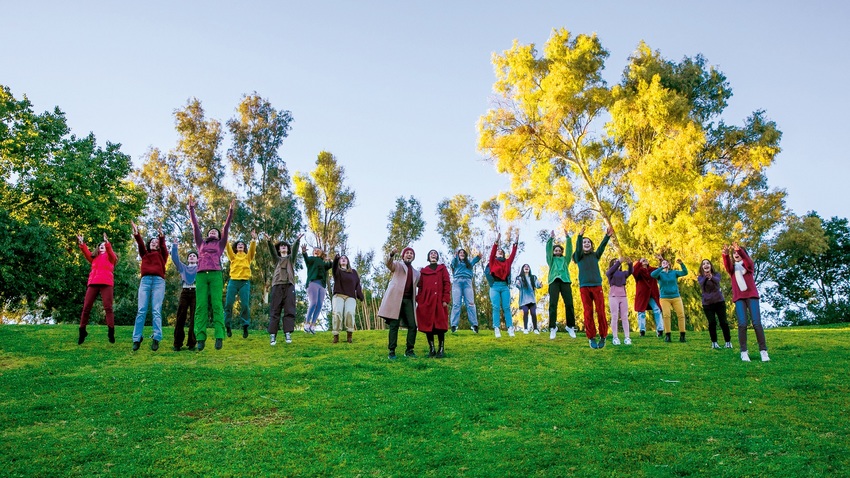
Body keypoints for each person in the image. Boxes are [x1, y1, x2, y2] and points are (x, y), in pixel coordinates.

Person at [189, 196, 234, 351]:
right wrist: (192, 209)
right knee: (201, 306)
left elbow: (226, 228)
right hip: (201, 275)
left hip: (215, 274)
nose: (213, 232)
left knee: (216, 305)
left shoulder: (221, 244)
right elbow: (195, 227)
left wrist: (230, 212)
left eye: (215, 231)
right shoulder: (201, 243)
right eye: (211, 231)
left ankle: (219, 336)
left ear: (218, 235)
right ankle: (200, 338)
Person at [722, 243, 770, 362]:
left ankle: (763, 351)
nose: (736, 254)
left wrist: (739, 249)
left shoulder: (748, 266)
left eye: (738, 253)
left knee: (756, 323)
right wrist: (726, 254)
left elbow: (748, 261)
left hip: (751, 296)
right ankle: (744, 352)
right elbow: (727, 265)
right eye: (734, 253)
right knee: (742, 324)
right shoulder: (733, 269)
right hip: (739, 298)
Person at [131, 221, 167, 352]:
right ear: (149, 244)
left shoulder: (162, 255)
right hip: (145, 281)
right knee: (141, 310)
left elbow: (163, 245)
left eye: (156, 242)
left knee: (156, 310)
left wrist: (161, 236)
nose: (154, 242)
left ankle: (156, 337)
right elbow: (140, 243)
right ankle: (136, 338)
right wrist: (136, 232)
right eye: (152, 241)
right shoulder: (144, 254)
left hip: (158, 282)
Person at [377, 247, 420, 359]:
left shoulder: (416, 273)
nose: (409, 255)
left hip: (409, 301)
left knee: (413, 325)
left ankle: (409, 350)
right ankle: (392, 351)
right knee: (394, 325)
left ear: (413, 257)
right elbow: (388, 263)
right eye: (407, 253)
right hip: (396, 299)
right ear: (403, 256)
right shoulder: (398, 265)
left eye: (411, 253)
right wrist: (391, 254)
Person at [573, 226, 612, 349]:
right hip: (584, 287)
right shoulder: (578, 257)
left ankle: (603, 336)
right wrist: (579, 237)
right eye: (584, 242)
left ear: (591, 245)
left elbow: (602, 247)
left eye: (588, 242)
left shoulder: (595, 255)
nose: (586, 243)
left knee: (600, 310)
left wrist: (607, 236)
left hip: (597, 286)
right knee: (588, 312)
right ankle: (591, 337)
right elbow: (578, 249)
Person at [76, 232, 117, 345]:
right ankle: (82, 331)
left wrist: (107, 242)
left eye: (104, 245)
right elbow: (86, 252)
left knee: (108, 308)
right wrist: (81, 242)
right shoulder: (94, 258)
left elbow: (111, 253)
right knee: (86, 308)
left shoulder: (111, 257)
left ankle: (111, 332)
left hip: (106, 283)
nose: (102, 246)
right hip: (93, 283)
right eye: (100, 245)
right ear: (98, 248)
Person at [266, 232, 304, 346]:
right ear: (279, 249)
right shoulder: (276, 260)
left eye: (285, 246)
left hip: (289, 285)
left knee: (289, 309)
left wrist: (297, 241)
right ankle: (273, 335)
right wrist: (269, 241)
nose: (283, 247)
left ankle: (287, 333)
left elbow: (295, 251)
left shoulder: (290, 259)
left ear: (288, 249)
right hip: (277, 285)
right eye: (281, 246)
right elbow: (272, 252)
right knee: (275, 310)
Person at [417, 250, 451, 357]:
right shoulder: (424, 271)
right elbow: (420, 287)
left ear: (437, 257)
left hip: (439, 301)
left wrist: (445, 299)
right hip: (427, 302)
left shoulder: (442, 268)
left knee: (440, 325)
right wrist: (420, 299)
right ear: (428, 257)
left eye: (435, 253)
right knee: (428, 325)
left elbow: (447, 283)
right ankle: (431, 349)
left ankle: (441, 349)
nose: (433, 254)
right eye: (431, 253)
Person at [224, 231, 257, 339]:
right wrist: (226, 238)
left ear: (244, 247)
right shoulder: (233, 257)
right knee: (228, 304)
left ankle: (245, 326)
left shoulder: (248, 257)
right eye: (238, 244)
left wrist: (253, 240)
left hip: (244, 282)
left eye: (242, 244)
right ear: (236, 247)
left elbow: (252, 250)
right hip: (233, 282)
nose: (240, 245)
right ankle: (227, 325)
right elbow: (228, 249)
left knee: (245, 304)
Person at [546, 230, 577, 340]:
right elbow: (548, 250)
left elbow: (569, 251)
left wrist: (568, 238)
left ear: (561, 251)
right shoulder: (551, 260)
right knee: (553, 304)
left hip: (565, 282)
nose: (557, 251)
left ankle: (570, 326)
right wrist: (551, 239)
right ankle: (552, 327)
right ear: (554, 252)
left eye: (559, 250)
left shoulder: (565, 259)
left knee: (569, 304)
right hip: (553, 282)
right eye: (556, 250)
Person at [487, 231, 518, 338]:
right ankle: (497, 328)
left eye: (501, 251)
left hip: (504, 286)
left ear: (503, 254)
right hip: (494, 286)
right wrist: (496, 242)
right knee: (495, 307)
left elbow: (513, 255)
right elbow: (492, 252)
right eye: (498, 251)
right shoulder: (492, 261)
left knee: (506, 307)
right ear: (496, 254)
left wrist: (515, 243)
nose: (499, 252)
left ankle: (510, 328)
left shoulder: (507, 262)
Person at [650, 256, 688, 343]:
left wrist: (681, 264)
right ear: (661, 265)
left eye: (666, 263)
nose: (665, 264)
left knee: (681, 315)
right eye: (663, 263)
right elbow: (652, 275)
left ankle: (682, 335)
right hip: (664, 298)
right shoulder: (659, 274)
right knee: (666, 315)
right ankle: (668, 335)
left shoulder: (674, 273)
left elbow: (685, 272)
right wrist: (661, 268)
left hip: (676, 297)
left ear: (669, 265)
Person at [698, 259, 732, 350]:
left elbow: (717, 281)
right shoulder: (700, 277)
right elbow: (701, 283)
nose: (706, 265)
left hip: (719, 302)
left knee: (723, 322)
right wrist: (706, 276)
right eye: (704, 264)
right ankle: (714, 342)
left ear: (710, 265)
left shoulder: (717, 275)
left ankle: (728, 342)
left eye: (707, 263)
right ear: (702, 267)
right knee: (712, 322)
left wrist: (711, 277)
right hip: (707, 304)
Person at [170, 240, 198, 351]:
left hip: (196, 293)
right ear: (187, 259)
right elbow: (175, 259)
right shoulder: (183, 268)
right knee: (180, 316)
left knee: (194, 317)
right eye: (190, 256)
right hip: (185, 292)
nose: (191, 257)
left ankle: (192, 343)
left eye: (194, 256)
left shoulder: (199, 267)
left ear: (197, 259)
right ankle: (177, 343)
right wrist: (175, 246)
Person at [330, 254, 364, 343]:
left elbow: (357, 284)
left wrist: (360, 295)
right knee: (337, 313)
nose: (343, 259)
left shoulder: (353, 272)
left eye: (345, 258)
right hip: (338, 295)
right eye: (341, 259)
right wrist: (336, 259)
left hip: (350, 296)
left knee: (350, 313)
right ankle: (336, 335)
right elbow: (333, 267)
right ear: (339, 262)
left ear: (348, 261)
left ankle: (349, 334)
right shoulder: (337, 271)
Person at [303, 244, 333, 334]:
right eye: (315, 250)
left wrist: (330, 260)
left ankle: (313, 325)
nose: (316, 251)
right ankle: (307, 323)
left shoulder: (323, 262)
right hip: (313, 283)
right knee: (313, 302)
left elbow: (330, 265)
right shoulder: (312, 259)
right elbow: (306, 259)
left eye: (318, 250)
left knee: (319, 305)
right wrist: (304, 252)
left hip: (322, 286)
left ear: (321, 252)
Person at [449, 248, 481, 333]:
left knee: (470, 303)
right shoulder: (455, 262)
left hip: (467, 282)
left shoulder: (469, 263)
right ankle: (454, 325)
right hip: (457, 282)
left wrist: (479, 256)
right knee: (456, 304)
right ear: (458, 254)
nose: (462, 253)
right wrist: (455, 256)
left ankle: (474, 325)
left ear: (465, 255)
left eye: (463, 252)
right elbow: (452, 263)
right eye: (460, 252)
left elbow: (476, 259)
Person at [633, 258, 663, 337]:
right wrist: (639, 262)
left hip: (652, 294)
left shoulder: (652, 270)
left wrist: (661, 260)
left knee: (657, 310)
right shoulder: (638, 272)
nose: (645, 260)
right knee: (641, 312)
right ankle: (642, 330)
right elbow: (634, 272)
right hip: (642, 294)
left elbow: (661, 270)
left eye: (646, 260)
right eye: (643, 260)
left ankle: (660, 330)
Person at [606, 257, 632, 345]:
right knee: (614, 316)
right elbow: (609, 272)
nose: (617, 264)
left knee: (625, 317)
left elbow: (630, 272)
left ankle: (627, 337)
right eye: (615, 262)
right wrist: (618, 262)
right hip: (613, 296)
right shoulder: (610, 273)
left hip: (623, 296)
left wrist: (630, 264)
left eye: (618, 263)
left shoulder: (623, 273)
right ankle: (615, 337)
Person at [515, 264, 542, 334]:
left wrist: (540, 285)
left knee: (533, 313)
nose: (526, 267)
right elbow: (518, 285)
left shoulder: (533, 277)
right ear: (522, 269)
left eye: (528, 266)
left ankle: (535, 329)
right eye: (525, 266)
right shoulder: (520, 278)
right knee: (525, 312)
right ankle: (525, 329)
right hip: (524, 300)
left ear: (529, 269)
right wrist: (517, 284)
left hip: (532, 299)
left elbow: (537, 284)